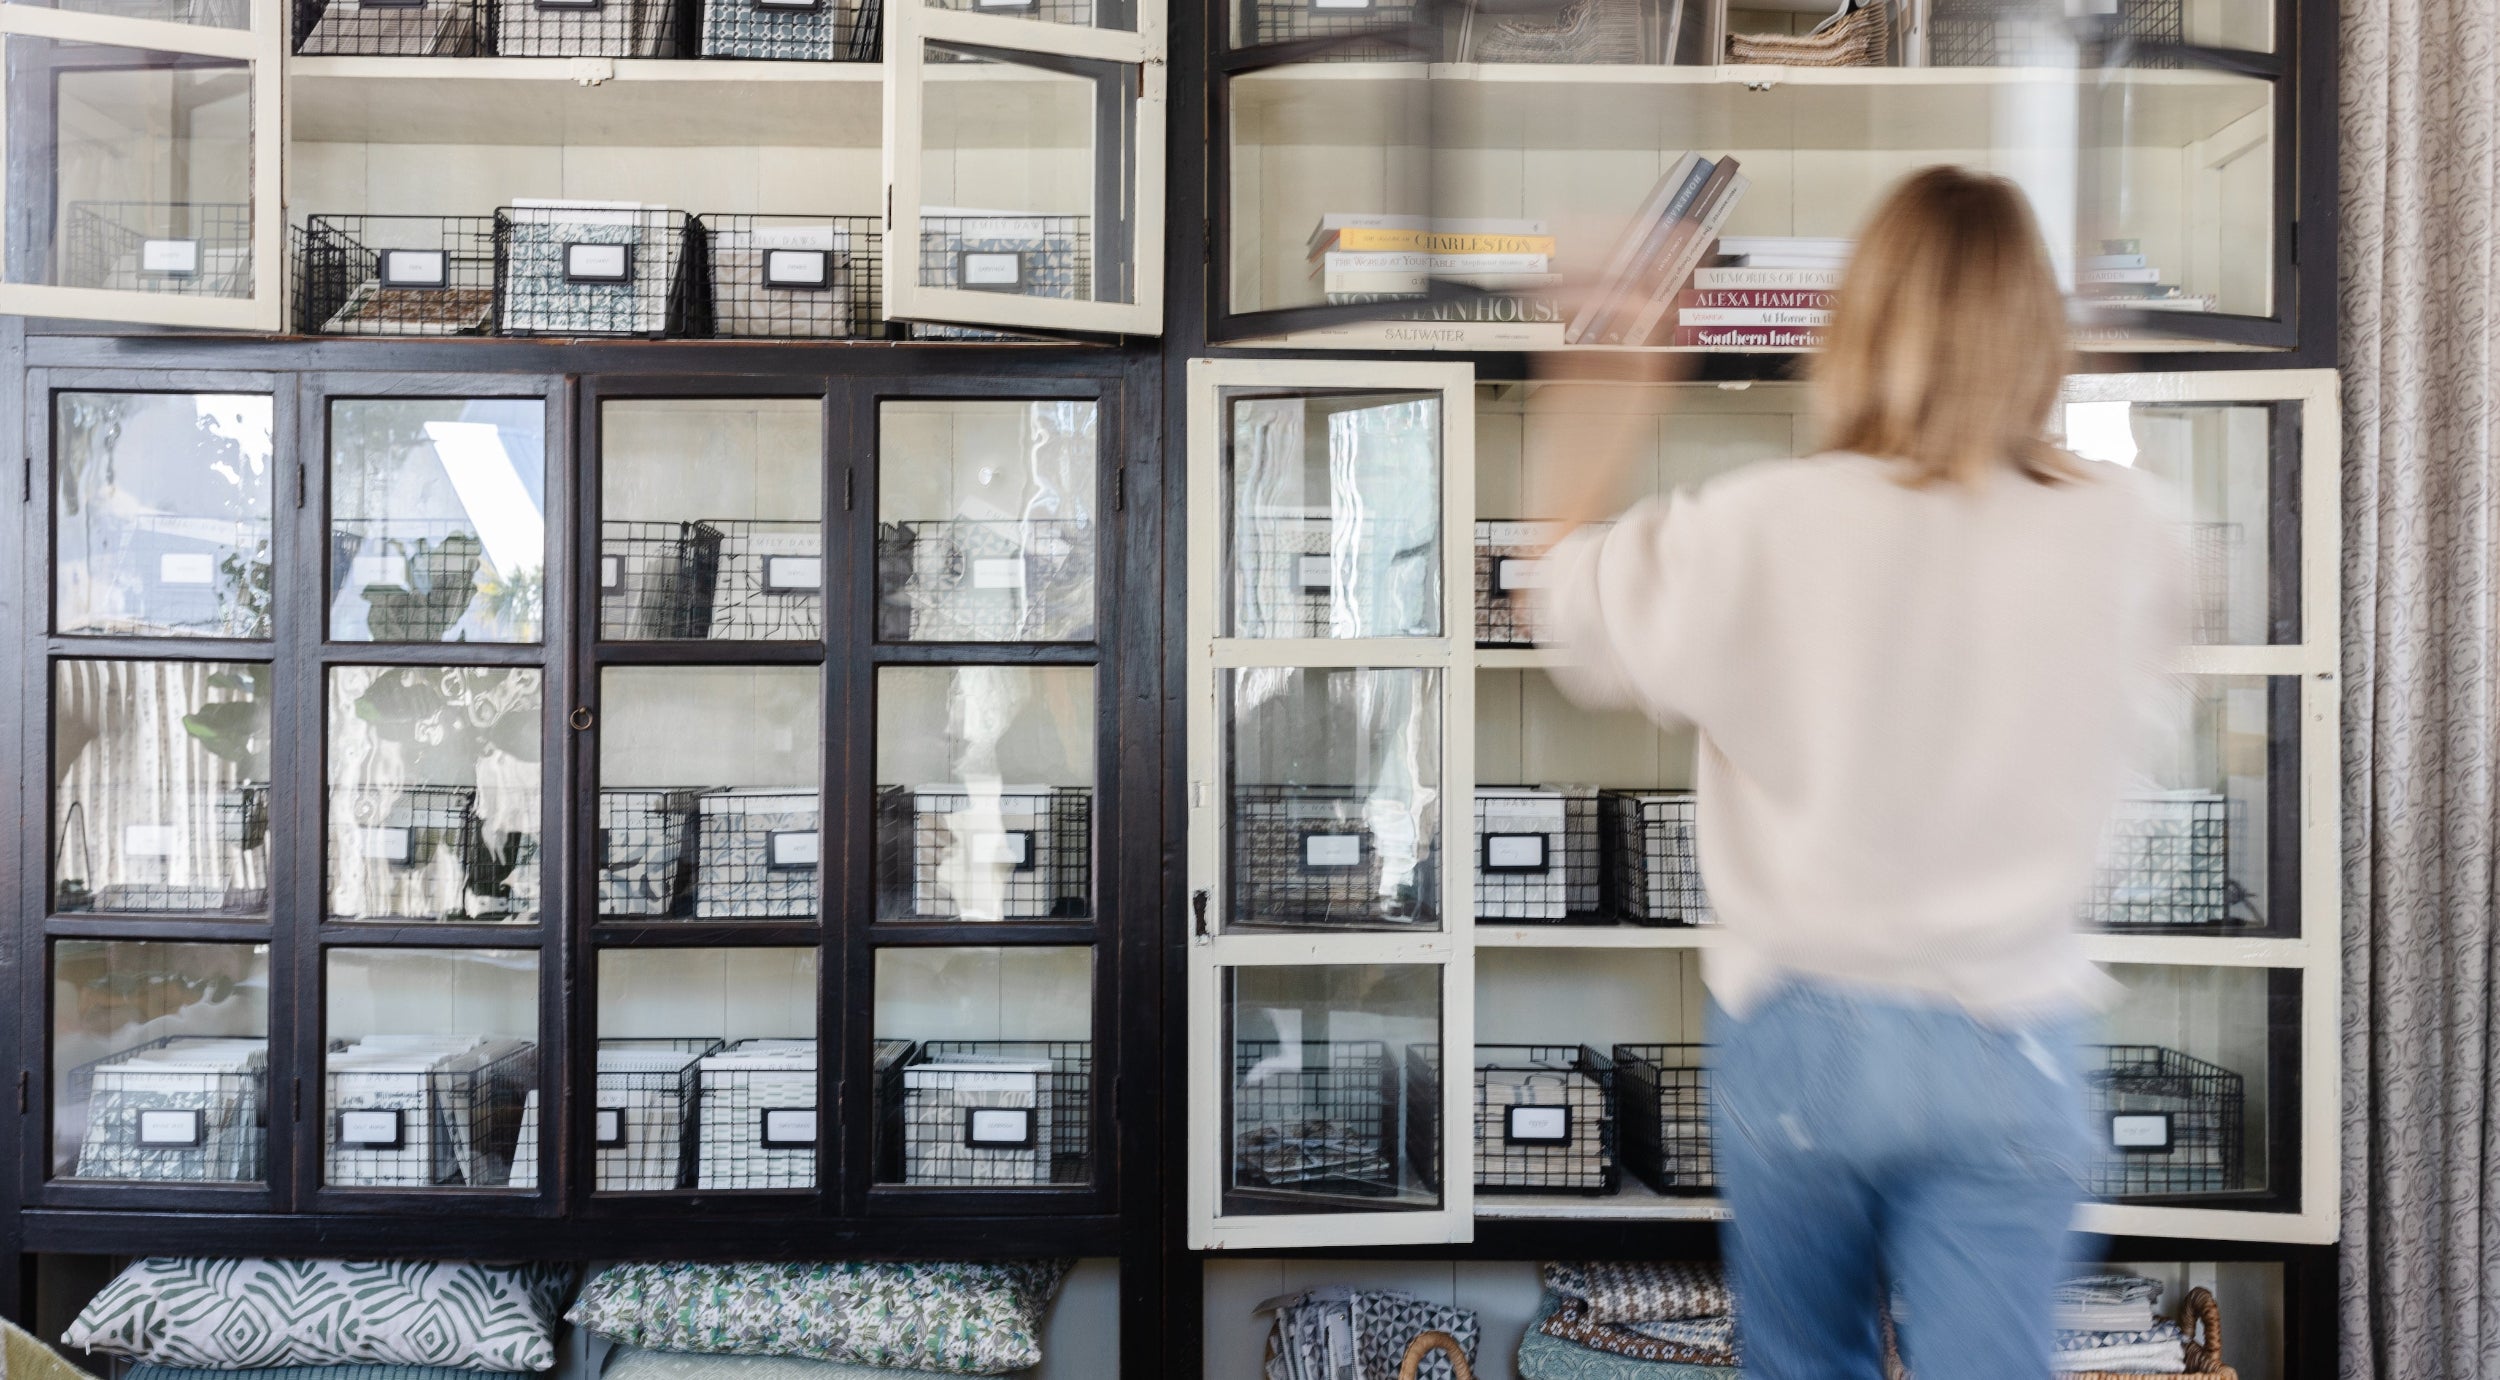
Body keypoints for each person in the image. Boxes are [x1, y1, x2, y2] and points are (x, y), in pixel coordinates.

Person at [1534, 166, 2185, 1379]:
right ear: (2035, 329)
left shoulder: (1765, 521)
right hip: (2016, 1029)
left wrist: (1606, 386)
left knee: (1805, 1361)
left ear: (1858, 327)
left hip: (1808, 1037)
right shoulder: (2129, 529)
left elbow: (1562, 604)